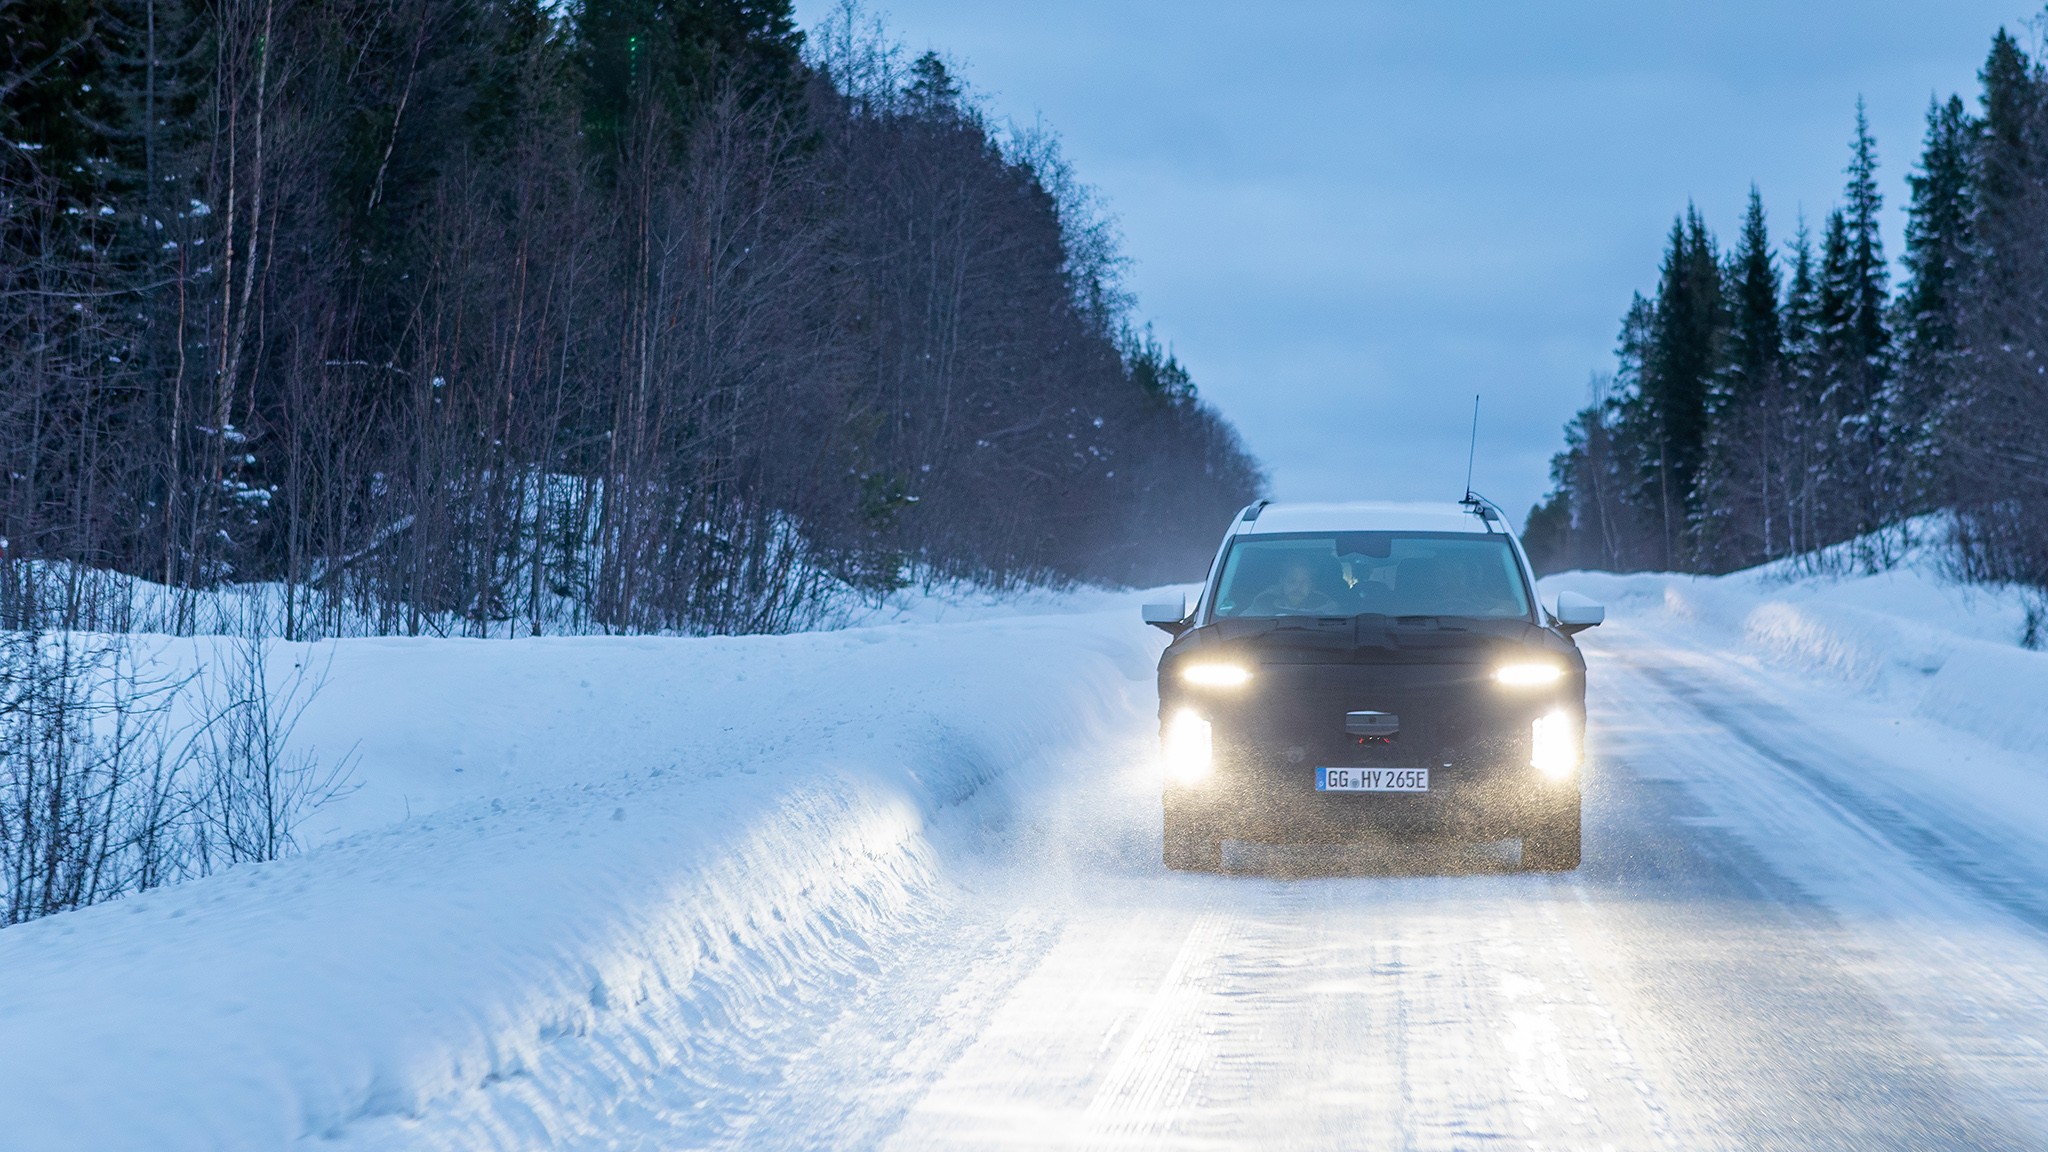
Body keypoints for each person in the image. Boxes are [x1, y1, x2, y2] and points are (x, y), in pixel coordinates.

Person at [1252, 559, 1340, 615]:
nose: (1298, 587)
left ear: (1312, 585)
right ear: (1282, 581)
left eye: (1304, 582)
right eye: (1292, 581)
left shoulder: (1326, 607)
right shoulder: (1263, 603)